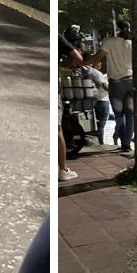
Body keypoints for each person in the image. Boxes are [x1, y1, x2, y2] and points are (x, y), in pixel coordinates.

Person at [84, 21, 135, 154]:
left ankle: (122, 142)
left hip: (116, 84)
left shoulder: (108, 41)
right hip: (131, 82)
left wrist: (81, 62)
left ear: (116, 29)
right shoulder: (132, 43)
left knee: (119, 115)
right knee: (130, 115)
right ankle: (126, 144)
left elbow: (96, 59)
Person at [58, 32, 84, 181]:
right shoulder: (58, 38)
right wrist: (62, 64)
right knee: (57, 129)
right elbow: (78, 58)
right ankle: (62, 169)